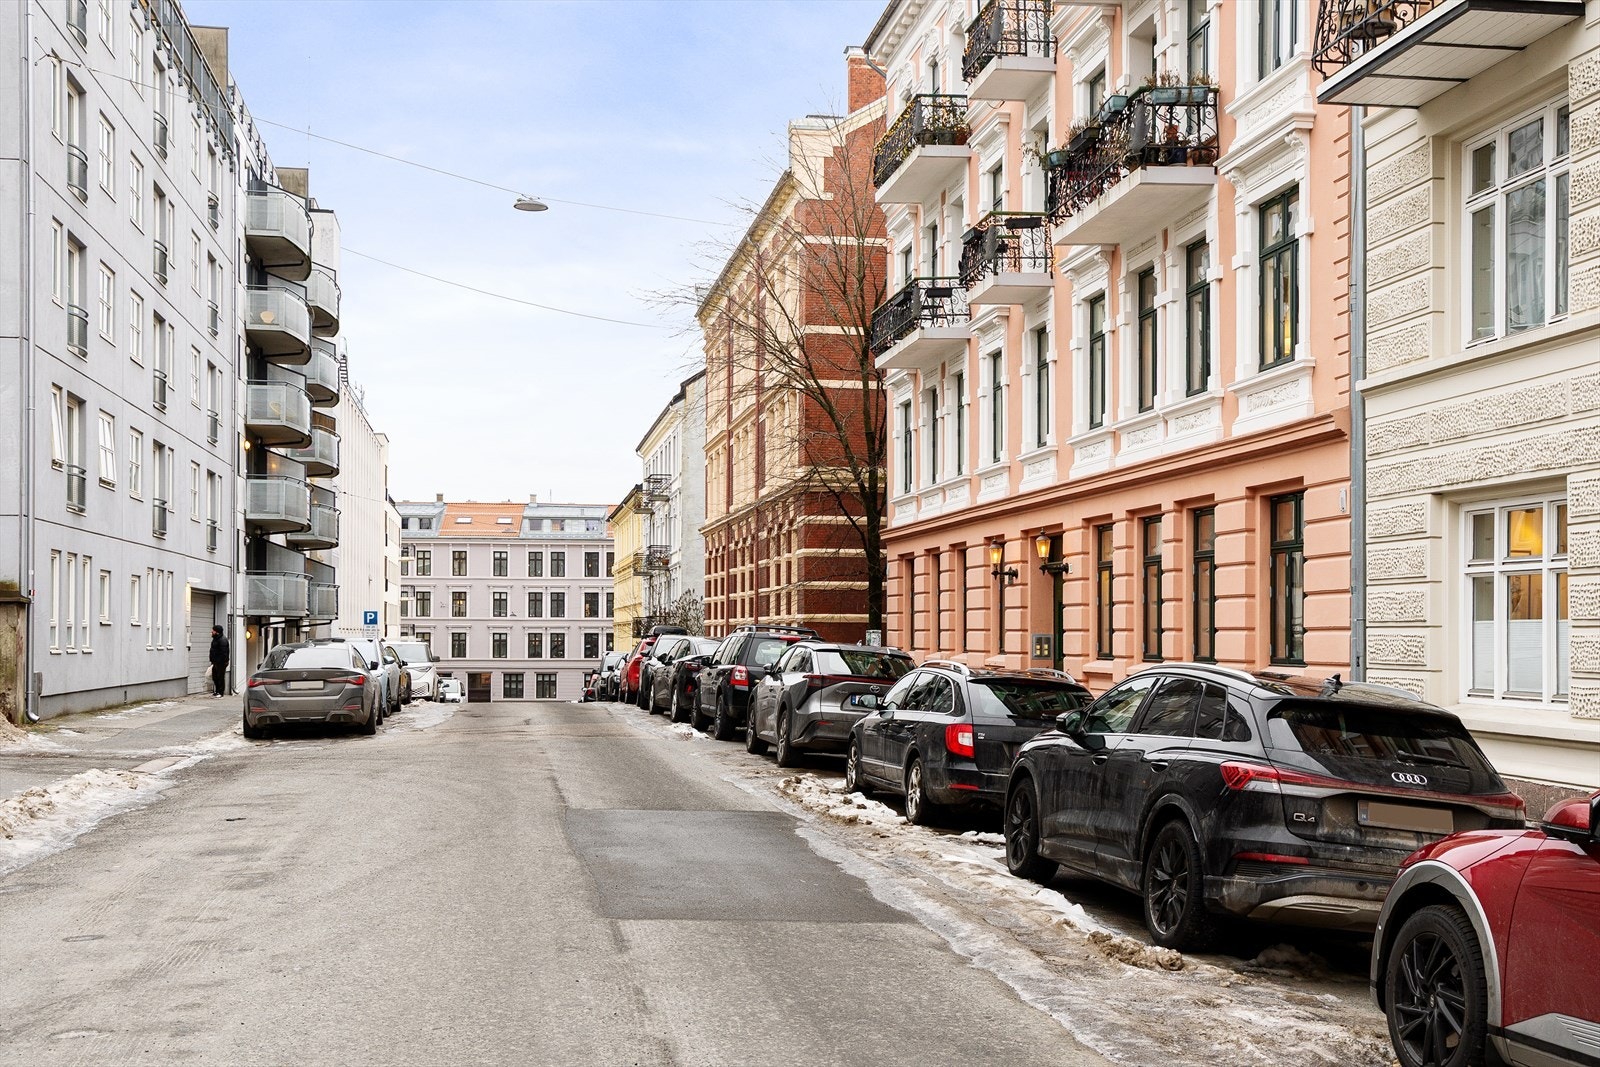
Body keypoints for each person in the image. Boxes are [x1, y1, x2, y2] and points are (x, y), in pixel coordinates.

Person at [208, 624, 230, 697]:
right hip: (216, 662)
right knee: (215, 676)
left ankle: (221, 692)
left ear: (217, 632)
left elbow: (224, 652)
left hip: (221, 662)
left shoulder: (222, 640)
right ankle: (217, 691)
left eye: (213, 630)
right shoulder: (216, 639)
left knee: (220, 677)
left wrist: (222, 662)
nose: (212, 631)